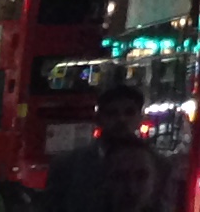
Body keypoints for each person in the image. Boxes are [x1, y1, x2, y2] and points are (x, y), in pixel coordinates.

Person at [46, 83, 152, 212]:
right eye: (112, 113)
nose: (121, 119)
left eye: (129, 112)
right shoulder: (66, 165)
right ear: (99, 118)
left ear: (140, 118)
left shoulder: (160, 164)